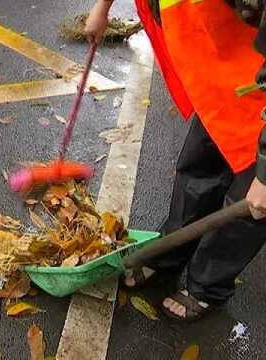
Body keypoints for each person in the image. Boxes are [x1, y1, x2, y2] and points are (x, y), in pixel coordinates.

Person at [84, 0, 266, 320]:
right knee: (198, 169)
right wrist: (103, 7)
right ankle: (169, 253)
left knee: (247, 205)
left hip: (258, 96)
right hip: (218, 80)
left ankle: (206, 288)